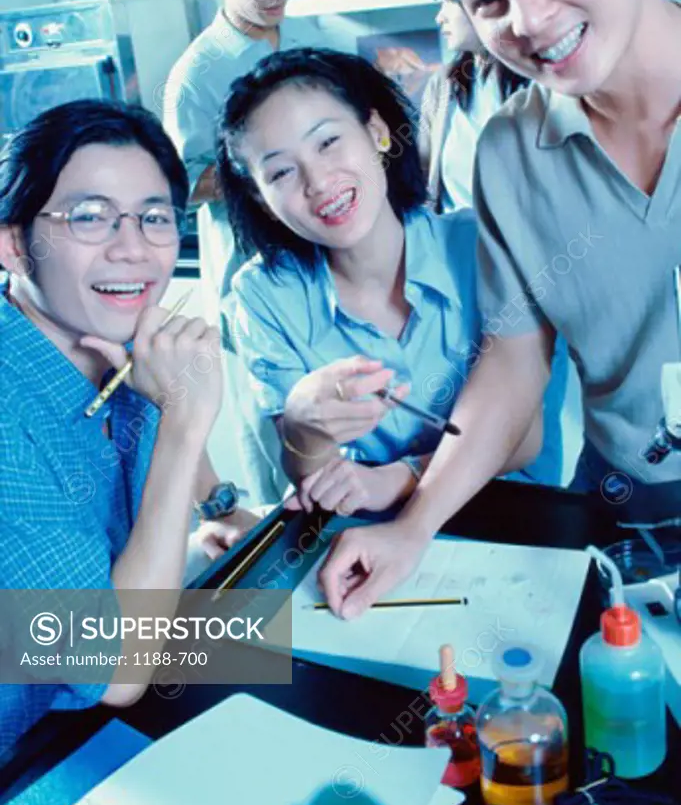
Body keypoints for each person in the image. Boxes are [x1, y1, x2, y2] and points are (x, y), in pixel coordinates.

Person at [316, 0, 681, 619]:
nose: (528, 21)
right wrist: (412, 527)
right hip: (627, 522)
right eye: (486, 0)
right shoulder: (511, 153)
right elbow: (515, 361)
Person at [0, 99, 259, 755]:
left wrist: (221, 503)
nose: (133, 249)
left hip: (86, 715)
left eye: (154, 218)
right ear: (13, 244)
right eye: (88, 217)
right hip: (29, 760)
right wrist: (185, 422)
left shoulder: (109, 341)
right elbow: (113, 669)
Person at [217, 48, 542, 518]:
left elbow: (525, 436)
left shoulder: (485, 246)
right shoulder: (262, 297)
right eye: (282, 172)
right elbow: (317, 480)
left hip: (518, 519)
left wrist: (402, 477)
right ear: (262, 199)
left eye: (327, 142)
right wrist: (305, 428)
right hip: (369, 542)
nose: (318, 182)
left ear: (377, 133)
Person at [164, 0, 323, 504]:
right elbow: (183, 184)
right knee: (276, 453)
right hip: (253, 283)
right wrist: (263, 165)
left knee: (337, 443)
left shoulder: (309, 39)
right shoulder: (197, 73)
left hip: (325, 267)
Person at [420, 0, 570, 486]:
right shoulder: (444, 88)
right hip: (462, 275)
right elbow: (429, 185)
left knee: (534, 414)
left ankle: (539, 520)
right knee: (469, 411)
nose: (439, 16)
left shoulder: (542, 80)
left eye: (446, 2)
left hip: (535, 275)